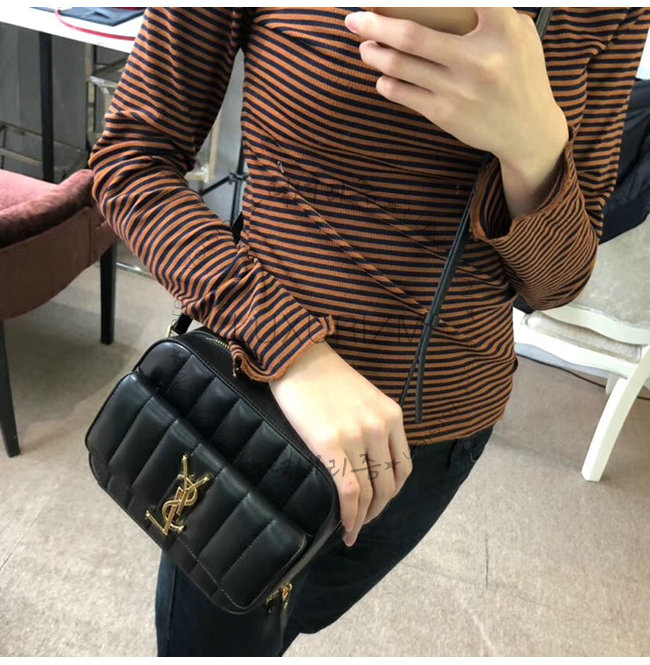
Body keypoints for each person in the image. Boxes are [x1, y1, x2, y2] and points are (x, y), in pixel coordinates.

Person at [88, 7, 650, 656]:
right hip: (255, 413)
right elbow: (130, 163)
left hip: (442, 442)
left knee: (294, 619)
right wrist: (290, 351)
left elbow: (558, 280)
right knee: (212, 644)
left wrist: (533, 145)